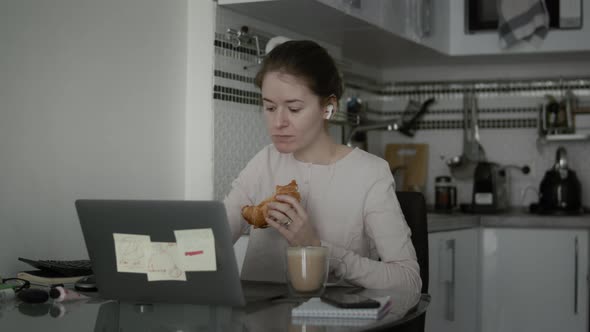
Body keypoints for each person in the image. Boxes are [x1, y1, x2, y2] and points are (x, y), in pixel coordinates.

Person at [224, 40, 421, 292]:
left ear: (328, 108)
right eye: (270, 107)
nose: (278, 122)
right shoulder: (265, 161)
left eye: (294, 108)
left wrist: (318, 248)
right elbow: (217, 238)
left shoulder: (370, 173)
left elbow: (409, 280)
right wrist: (163, 255)